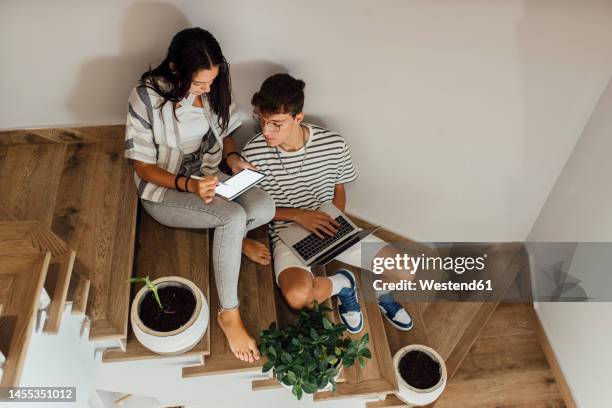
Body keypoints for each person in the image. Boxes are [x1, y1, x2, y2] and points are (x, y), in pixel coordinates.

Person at [124, 27, 275, 362]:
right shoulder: (147, 97)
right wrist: (188, 186)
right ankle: (229, 313)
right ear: (176, 69)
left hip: (206, 171)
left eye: (212, 82)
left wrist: (233, 159)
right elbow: (143, 169)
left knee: (264, 207)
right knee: (233, 216)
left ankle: (230, 238)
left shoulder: (214, 84)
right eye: (199, 84)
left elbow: (226, 132)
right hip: (165, 186)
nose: (207, 90)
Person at [242, 74, 413, 333]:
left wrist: (335, 219)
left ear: (298, 118)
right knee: (299, 297)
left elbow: (339, 188)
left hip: (331, 225)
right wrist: (299, 216)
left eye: (276, 123)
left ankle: (381, 293)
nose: (266, 130)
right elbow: (249, 207)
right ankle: (343, 285)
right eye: (262, 120)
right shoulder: (252, 153)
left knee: (406, 270)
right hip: (286, 232)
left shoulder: (333, 144)